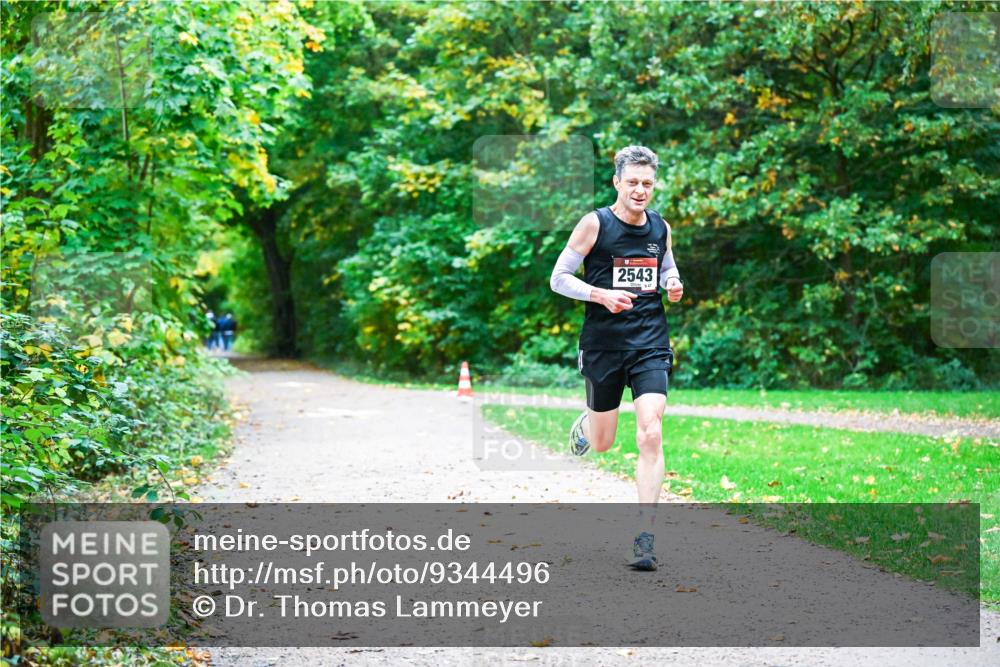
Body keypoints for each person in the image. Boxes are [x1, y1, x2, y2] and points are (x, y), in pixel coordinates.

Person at [549, 145, 683, 571]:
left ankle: (645, 537)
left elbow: (666, 269)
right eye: (632, 183)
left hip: (650, 342)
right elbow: (559, 278)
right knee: (604, 443)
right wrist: (600, 294)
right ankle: (589, 423)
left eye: (647, 183)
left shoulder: (660, 227)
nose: (640, 191)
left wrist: (674, 282)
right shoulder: (595, 224)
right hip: (604, 344)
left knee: (650, 432)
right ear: (617, 183)